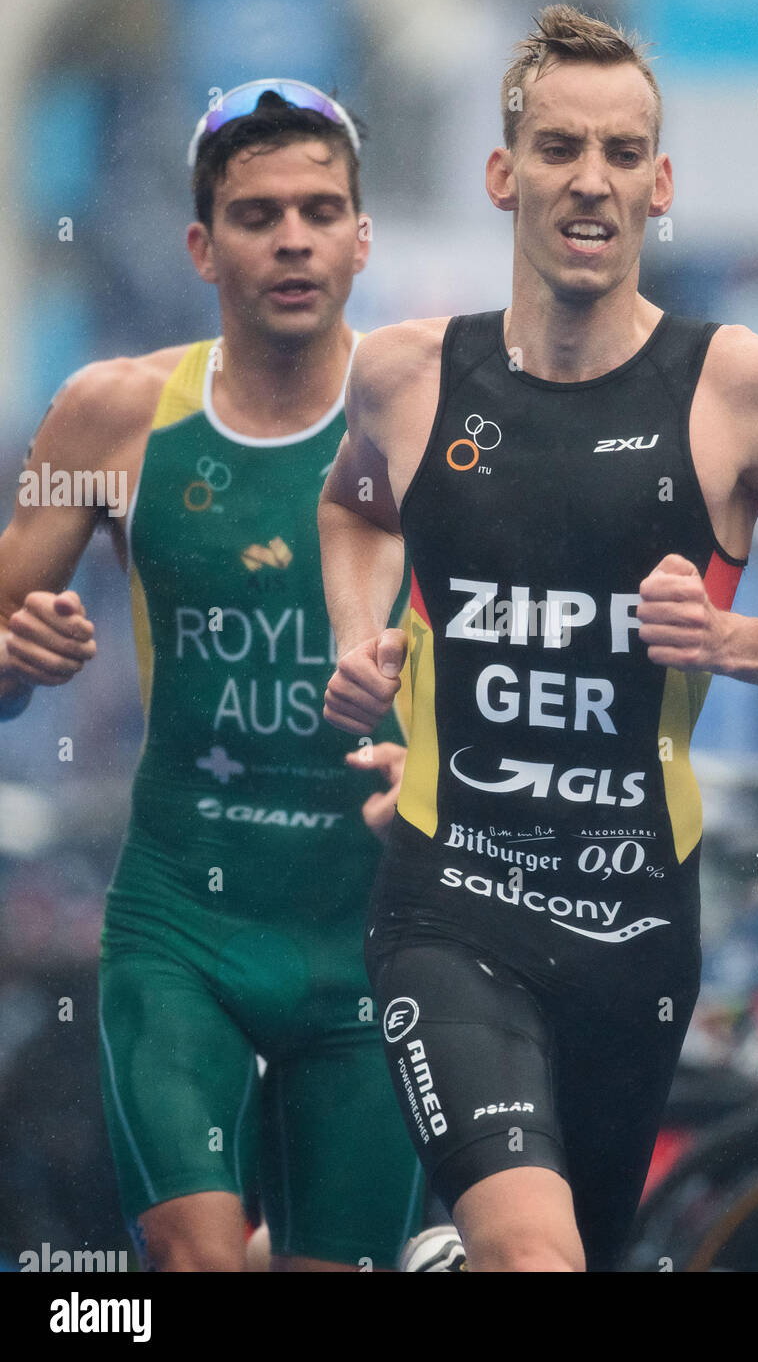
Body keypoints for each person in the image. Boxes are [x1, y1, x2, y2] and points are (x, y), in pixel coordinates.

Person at [319, 6, 758, 1273]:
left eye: (621, 150)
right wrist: (362, 639)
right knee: (540, 1256)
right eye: (557, 147)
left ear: (660, 185)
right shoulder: (409, 372)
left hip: (635, 927)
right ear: (505, 175)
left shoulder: (742, 387)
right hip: (450, 902)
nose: (589, 176)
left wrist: (731, 637)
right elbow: (353, 504)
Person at [0, 82, 420, 1271]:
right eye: (257, 214)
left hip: (371, 939)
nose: (292, 238)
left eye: (321, 210)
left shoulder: (442, 416)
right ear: (202, 245)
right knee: (198, 1260)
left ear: (360, 236)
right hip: (184, 928)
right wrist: (13, 663)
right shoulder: (112, 417)